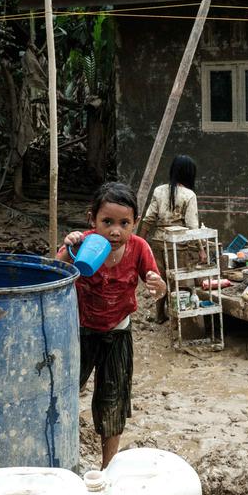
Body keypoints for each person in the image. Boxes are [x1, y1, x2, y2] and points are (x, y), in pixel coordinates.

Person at [56, 181, 166, 469]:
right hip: (80, 331)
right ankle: (60, 460)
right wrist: (69, 249)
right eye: (107, 222)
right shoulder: (83, 244)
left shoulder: (139, 248)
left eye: (124, 223)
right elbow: (54, 273)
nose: (115, 231)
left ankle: (108, 467)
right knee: (64, 392)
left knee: (113, 400)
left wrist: (158, 285)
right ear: (92, 219)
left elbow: (155, 278)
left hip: (118, 330)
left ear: (135, 223)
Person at [140, 155, 205, 322]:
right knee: (179, 281)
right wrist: (201, 249)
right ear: (190, 174)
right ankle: (179, 319)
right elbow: (192, 226)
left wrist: (140, 241)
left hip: (158, 241)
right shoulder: (189, 195)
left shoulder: (159, 190)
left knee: (159, 278)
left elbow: (149, 219)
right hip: (178, 244)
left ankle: (160, 315)